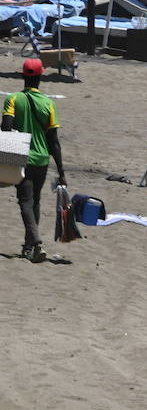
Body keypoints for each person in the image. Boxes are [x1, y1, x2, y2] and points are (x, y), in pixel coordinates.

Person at [3, 59, 66, 262]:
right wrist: (62, 171)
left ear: (23, 76)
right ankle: (29, 247)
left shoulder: (13, 99)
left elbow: (6, 127)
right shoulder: (49, 104)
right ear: (40, 77)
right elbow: (54, 141)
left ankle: (37, 242)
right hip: (42, 159)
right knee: (35, 200)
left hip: (20, 156)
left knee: (25, 201)